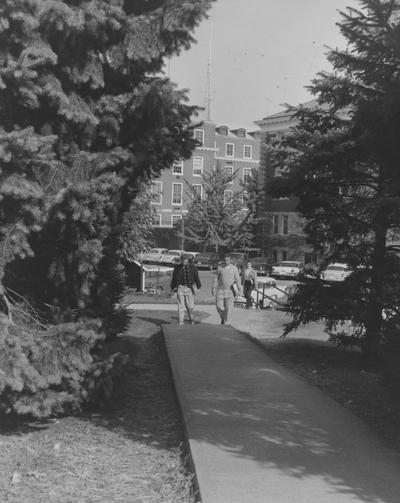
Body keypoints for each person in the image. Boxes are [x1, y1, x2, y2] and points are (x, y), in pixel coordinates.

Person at [170, 254, 201, 325]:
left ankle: (192, 319)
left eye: (185, 259)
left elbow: (196, 277)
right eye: (183, 259)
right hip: (180, 288)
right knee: (181, 306)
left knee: (190, 306)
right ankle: (181, 321)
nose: (184, 261)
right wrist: (172, 287)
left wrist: (198, 287)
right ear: (181, 260)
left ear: (188, 260)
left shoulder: (192, 267)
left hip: (189, 288)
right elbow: (174, 278)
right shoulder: (177, 268)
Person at [212, 254, 241, 325]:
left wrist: (239, 289)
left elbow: (237, 279)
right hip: (220, 290)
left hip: (230, 290)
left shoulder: (234, 268)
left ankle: (225, 322)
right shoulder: (220, 267)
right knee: (218, 306)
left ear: (230, 260)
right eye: (225, 260)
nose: (226, 261)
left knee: (229, 308)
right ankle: (223, 317)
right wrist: (213, 287)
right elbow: (216, 278)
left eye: (227, 260)